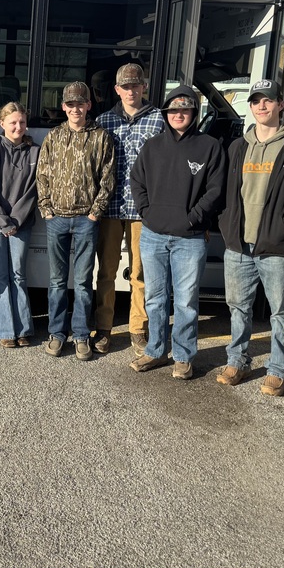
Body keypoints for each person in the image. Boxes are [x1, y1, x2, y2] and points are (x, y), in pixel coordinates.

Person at [217, 79, 284, 396]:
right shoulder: (238, 147)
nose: (261, 106)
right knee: (238, 307)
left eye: (268, 100)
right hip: (239, 244)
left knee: (280, 312)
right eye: (256, 101)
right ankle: (237, 361)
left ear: (280, 104)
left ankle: (277, 369)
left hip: (276, 246)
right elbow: (225, 192)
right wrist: (226, 223)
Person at [129, 84, 226, 380]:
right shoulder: (152, 146)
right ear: (165, 113)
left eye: (184, 109)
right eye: (173, 110)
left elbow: (215, 190)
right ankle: (156, 350)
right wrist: (147, 212)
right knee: (155, 298)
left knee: (185, 301)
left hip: (190, 238)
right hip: (153, 235)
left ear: (194, 113)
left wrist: (194, 218)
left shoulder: (209, 146)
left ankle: (183, 356)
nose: (178, 114)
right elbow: (137, 182)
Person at [36, 81, 116, 360]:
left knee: (82, 282)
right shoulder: (54, 136)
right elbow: (42, 175)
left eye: (80, 103)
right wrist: (46, 209)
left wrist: (95, 213)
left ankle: (81, 335)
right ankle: (57, 334)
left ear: (88, 105)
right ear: (63, 107)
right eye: (70, 104)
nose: (75, 109)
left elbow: (108, 177)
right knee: (57, 281)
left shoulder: (101, 136)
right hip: (56, 218)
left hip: (86, 220)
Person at [93, 63, 165, 354]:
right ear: (117, 90)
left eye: (135, 85)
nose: (131, 90)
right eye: (125, 86)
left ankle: (138, 328)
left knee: (139, 273)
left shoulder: (159, 119)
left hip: (142, 210)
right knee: (106, 272)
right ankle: (103, 328)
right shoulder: (103, 121)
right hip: (109, 207)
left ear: (143, 87)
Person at [0, 102, 39, 348]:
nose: (18, 127)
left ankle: (23, 328)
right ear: (2, 123)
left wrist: (15, 221)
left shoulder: (35, 152)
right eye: (13, 122)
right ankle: (4, 329)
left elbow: (33, 191)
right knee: (0, 274)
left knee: (18, 274)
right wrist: (3, 222)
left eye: (22, 122)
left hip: (22, 223)